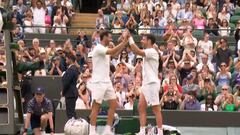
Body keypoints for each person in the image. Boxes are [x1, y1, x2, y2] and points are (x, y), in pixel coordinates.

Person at [87, 30, 129, 135]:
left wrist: (124, 42)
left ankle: (107, 129)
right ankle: (92, 131)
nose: (110, 39)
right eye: (109, 37)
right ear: (104, 37)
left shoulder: (105, 49)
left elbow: (114, 52)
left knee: (114, 104)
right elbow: (112, 51)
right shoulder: (98, 48)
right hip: (98, 82)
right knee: (96, 106)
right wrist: (124, 41)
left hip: (107, 82)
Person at [128, 33, 163, 135]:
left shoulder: (151, 51)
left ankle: (160, 132)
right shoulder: (152, 50)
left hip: (152, 84)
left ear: (149, 41)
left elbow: (137, 51)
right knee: (141, 107)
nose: (141, 41)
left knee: (155, 109)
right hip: (146, 84)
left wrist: (130, 38)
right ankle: (142, 131)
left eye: (143, 39)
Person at [62, 54, 79, 119]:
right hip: (71, 93)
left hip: (70, 93)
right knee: (71, 112)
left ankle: (74, 127)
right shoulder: (72, 68)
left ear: (70, 59)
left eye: (67, 59)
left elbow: (66, 82)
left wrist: (63, 92)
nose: (66, 60)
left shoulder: (72, 69)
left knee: (70, 113)